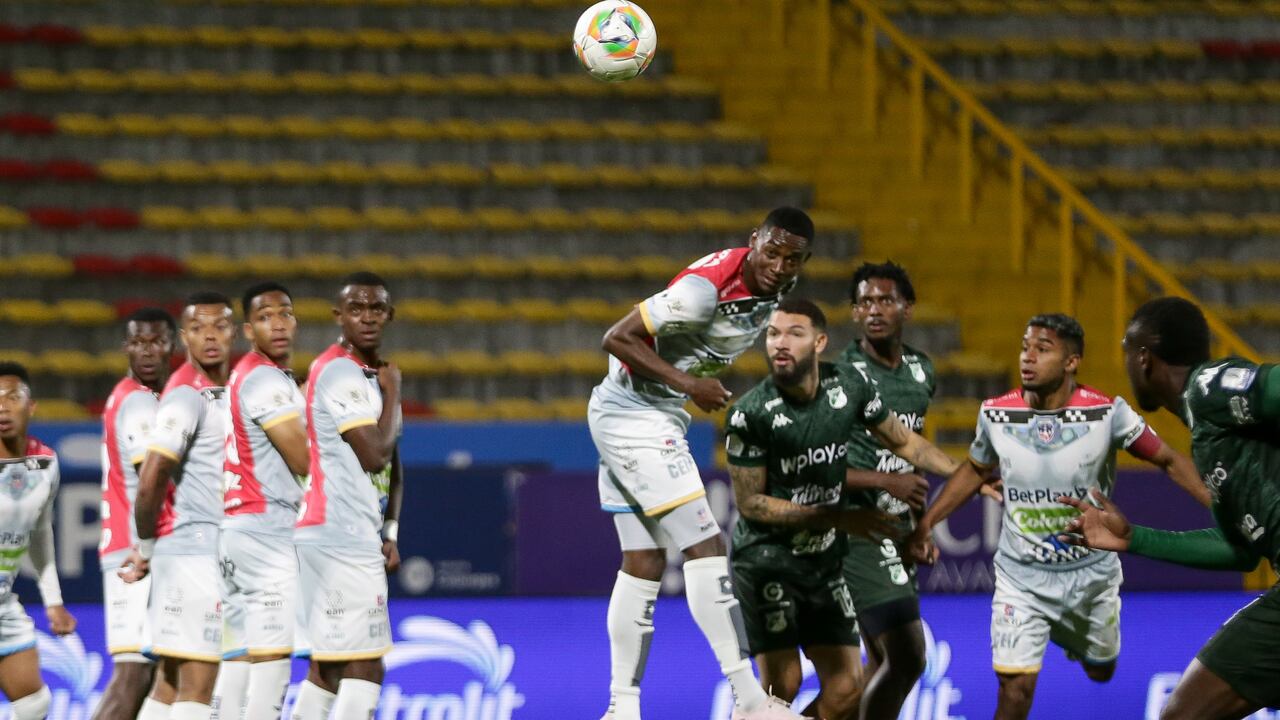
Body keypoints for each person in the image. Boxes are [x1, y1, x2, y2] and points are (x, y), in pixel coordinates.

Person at [905, 313, 1207, 720]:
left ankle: (1077, 640)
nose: (1027, 357)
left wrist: (1217, 502)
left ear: (1071, 362)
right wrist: (926, 524)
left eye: (1042, 349)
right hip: (1020, 578)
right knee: (1015, 691)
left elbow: (1168, 459)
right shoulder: (996, 413)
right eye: (1024, 347)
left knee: (1102, 669)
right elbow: (975, 469)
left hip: (1090, 576)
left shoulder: (1107, 413)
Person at [590, 207, 815, 720]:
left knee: (643, 562)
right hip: (634, 415)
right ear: (753, 239)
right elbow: (616, 337)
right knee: (706, 545)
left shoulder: (773, 288)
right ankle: (750, 698)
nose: (779, 265)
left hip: (649, 414)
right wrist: (689, 385)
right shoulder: (703, 291)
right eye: (772, 251)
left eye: (792, 259)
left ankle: (621, 706)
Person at [726, 299, 959, 720]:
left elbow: (903, 441)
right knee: (785, 686)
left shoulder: (847, 386)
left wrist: (965, 473)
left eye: (794, 334)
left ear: (819, 342)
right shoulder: (751, 413)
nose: (780, 343)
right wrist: (838, 519)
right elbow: (750, 503)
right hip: (767, 561)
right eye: (773, 333)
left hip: (823, 561)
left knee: (848, 689)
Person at [1058, 296, 1280, 720]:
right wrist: (1134, 537)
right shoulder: (1211, 438)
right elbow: (1240, 550)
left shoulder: (1208, 386)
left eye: (1126, 349)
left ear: (1144, 358)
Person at [290, 272, 403, 720]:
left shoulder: (369, 377)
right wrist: (394, 393)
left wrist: (389, 530)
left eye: (376, 308)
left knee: (330, 667)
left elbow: (395, 467)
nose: (367, 317)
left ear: (389, 315)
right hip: (336, 533)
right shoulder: (340, 372)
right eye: (356, 308)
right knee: (367, 665)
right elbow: (375, 454)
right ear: (339, 316)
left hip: (349, 532)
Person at [122, 291, 237, 720]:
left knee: (170, 682)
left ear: (234, 332)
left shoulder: (223, 392)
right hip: (195, 555)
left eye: (219, 326)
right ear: (184, 336)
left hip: (197, 552)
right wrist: (147, 546)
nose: (210, 337)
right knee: (200, 685)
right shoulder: (186, 395)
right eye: (199, 328)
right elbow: (150, 479)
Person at [838, 262, 934, 719]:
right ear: (855, 313)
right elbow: (816, 470)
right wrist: (884, 481)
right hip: (856, 531)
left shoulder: (921, 370)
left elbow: (911, 454)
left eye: (885, 300)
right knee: (909, 655)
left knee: (879, 663)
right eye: (865, 302)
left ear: (907, 309)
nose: (874, 310)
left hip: (897, 531)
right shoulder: (839, 376)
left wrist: (921, 528)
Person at [212, 283, 310, 720]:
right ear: (248, 330)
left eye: (284, 313)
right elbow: (304, 458)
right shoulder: (265, 379)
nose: (278, 323)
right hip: (266, 528)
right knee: (273, 664)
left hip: (236, 530)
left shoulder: (249, 374)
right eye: (265, 316)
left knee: (238, 661)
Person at [94, 308, 175, 720]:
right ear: (126, 346)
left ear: (171, 346)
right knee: (132, 676)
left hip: (143, 549)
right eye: (138, 342)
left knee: (164, 675)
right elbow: (153, 479)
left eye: (156, 341)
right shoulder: (138, 402)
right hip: (134, 554)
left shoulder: (147, 397)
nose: (147, 351)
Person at [0, 362, 76, 720]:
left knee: (34, 705)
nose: (2, 407)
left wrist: (54, 602)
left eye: (12, 397)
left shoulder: (46, 463)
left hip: (3, 606)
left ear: (31, 406)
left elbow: (41, 533)